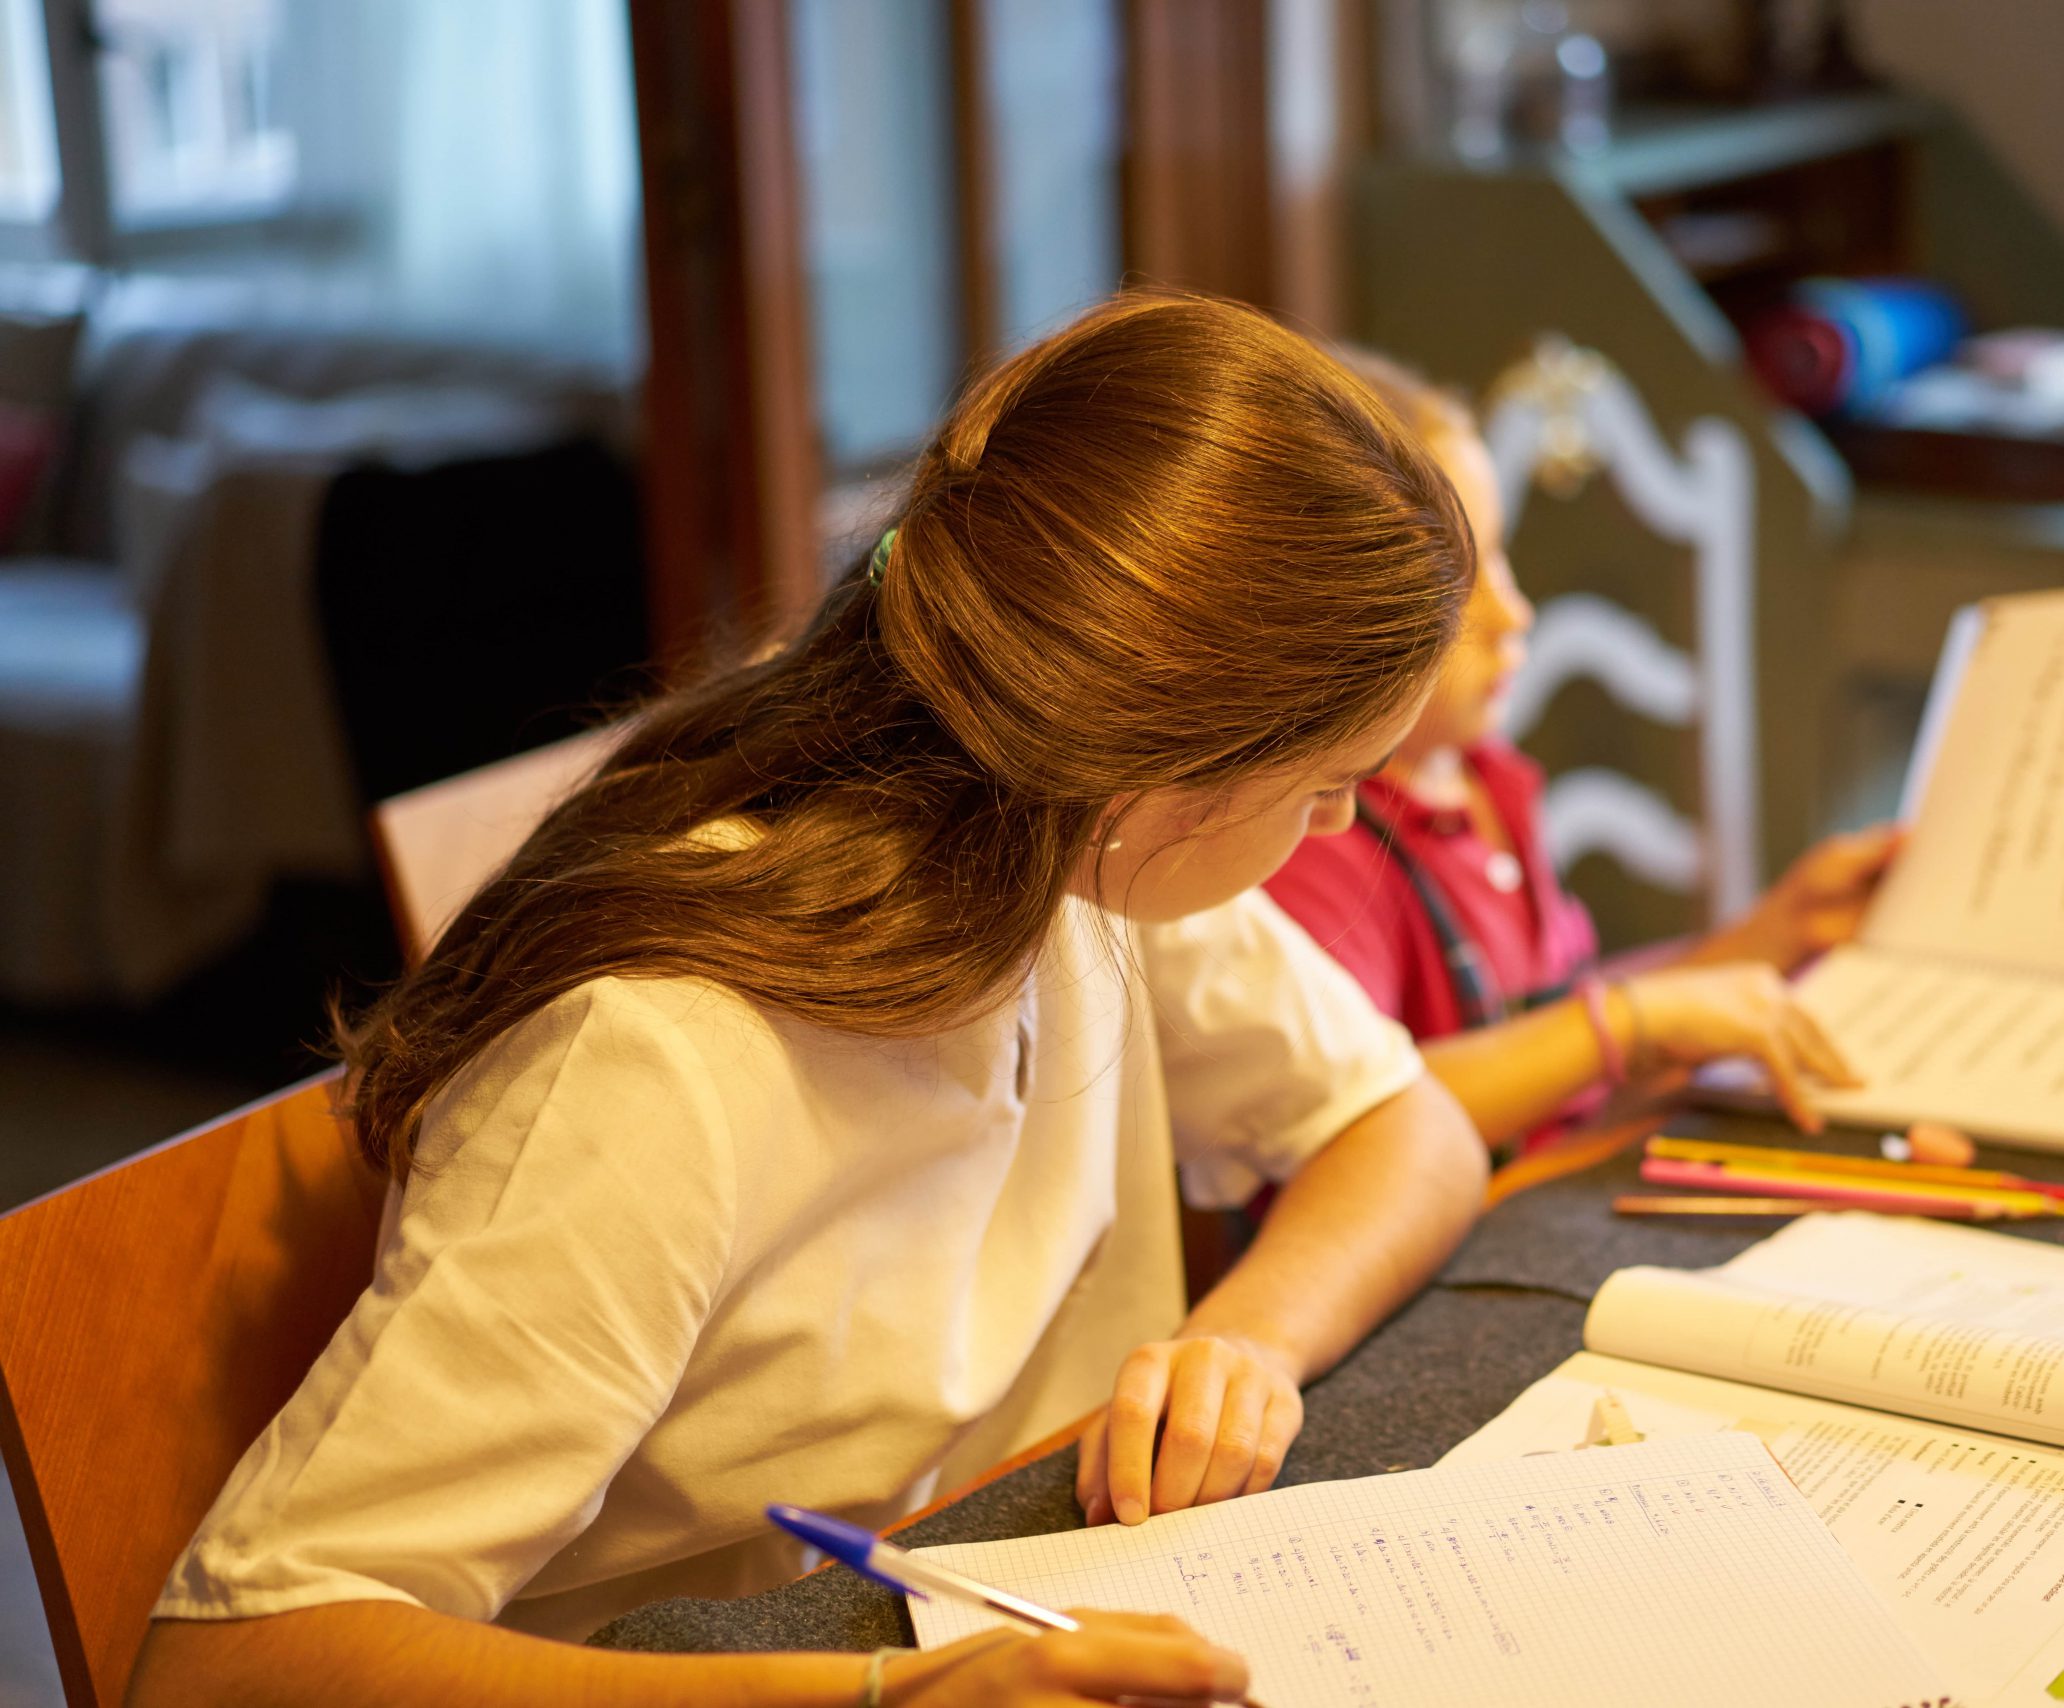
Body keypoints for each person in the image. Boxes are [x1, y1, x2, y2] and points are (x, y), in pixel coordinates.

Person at [128, 293, 1490, 1708]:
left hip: (994, 1593)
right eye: (1328, 785)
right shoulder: (652, 1066)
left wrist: (1243, 1340)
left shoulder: (1079, 854)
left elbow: (1409, 1132)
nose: (1339, 828)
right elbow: (226, 1663)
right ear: (1156, 762)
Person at [1262, 352, 1897, 1153]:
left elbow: (1559, 1034)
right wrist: (1623, 1023)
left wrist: (1780, 931)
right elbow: (1359, 1119)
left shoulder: (1488, 778)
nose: (1513, 613)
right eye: (1454, 586)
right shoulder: (1316, 844)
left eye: (1498, 557)